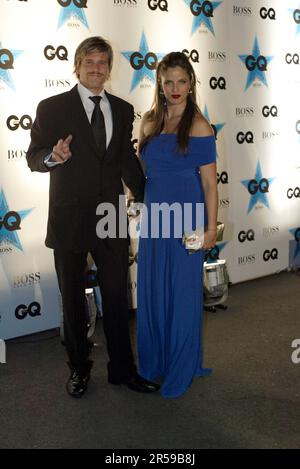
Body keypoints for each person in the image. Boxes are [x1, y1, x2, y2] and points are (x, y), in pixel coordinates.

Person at [26, 36, 160, 398]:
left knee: (117, 297)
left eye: (103, 62)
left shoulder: (121, 108)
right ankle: (79, 369)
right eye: (89, 62)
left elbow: (124, 160)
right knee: (72, 302)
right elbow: (33, 156)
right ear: (77, 66)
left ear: (109, 68)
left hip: (111, 217)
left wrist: (147, 193)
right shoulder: (52, 107)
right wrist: (53, 157)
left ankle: (122, 370)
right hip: (69, 218)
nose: (96, 68)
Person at [136, 51, 218, 398]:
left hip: (187, 219)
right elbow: (143, 170)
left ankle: (181, 368)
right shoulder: (150, 121)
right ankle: (155, 362)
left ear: (191, 84)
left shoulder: (199, 125)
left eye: (181, 81)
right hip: (155, 217)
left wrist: (210, 230)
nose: (174, 88)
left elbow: (211, 185)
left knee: (182, 294)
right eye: (168, 81)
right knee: (154, 291)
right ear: (159, 82)